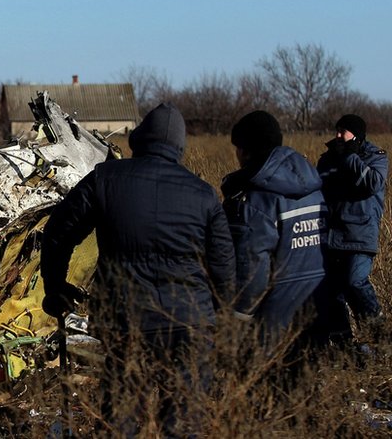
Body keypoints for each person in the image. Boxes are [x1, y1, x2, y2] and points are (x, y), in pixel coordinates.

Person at [41, 102, 235, 437]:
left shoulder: (105, 179)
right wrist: (215, 313)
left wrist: (55, 286)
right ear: (179, 147)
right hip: (190, 322)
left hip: (126, 320)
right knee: (184, 417)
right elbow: (225, 269)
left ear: (140, 138)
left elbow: (59, 233)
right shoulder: (203, 194)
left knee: (122, 415)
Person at [221, 111, 327, 350]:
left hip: (274, 325)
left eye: (237, 147)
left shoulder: (255, 200)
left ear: (246, 151)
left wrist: (237, 318)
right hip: (318, 308)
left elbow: (252, 269)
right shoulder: (313, 187)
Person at [316, 114, 388, 338]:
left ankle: (379, 335)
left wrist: (350, 156)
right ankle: (344, 347)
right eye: (336, 130)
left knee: (355, 281)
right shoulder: (327, 159)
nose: (338, 135)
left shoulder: (375, 157)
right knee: (332, 293)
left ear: (356, 134)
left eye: (343, 131)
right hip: (330, 235)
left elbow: (372, 184)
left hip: (360, 233)